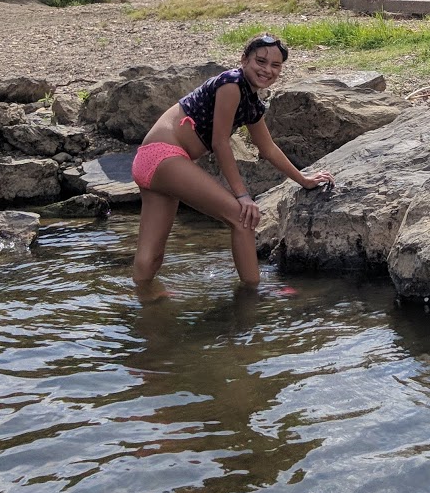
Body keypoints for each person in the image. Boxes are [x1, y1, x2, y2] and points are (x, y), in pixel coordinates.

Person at [130, 34, 332, 300]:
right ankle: (254, 292)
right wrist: (242, 195)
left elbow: (268, 148)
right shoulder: (232, 83)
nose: (267, 69)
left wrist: (303, 179)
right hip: (164, 157)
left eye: (275, 65)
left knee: (151, 254)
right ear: (244, 60)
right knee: (243, 217)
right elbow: (220, 142)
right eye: (260, 61)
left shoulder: (252, 102)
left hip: (151, 161)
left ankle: (143, 299)